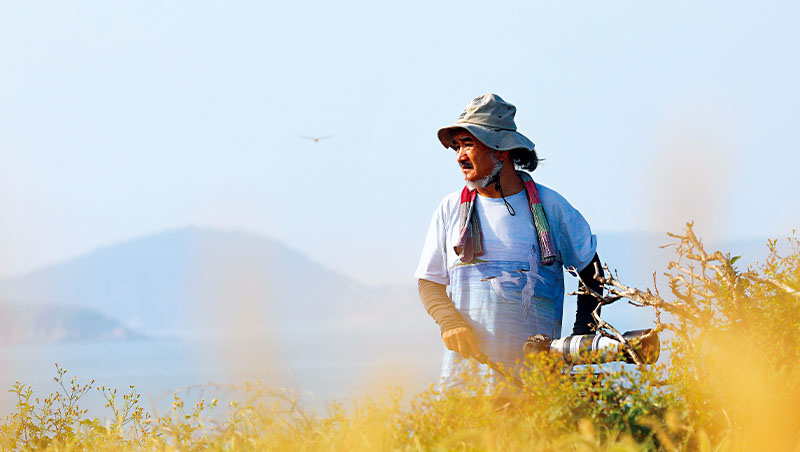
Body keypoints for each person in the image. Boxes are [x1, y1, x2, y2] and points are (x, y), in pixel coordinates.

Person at [414, 94, 604, 388]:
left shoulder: (551, 207)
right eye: (457, 145)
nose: (459, 156)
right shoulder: (450, 209)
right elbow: (429, 282)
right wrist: (448, 321)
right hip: (464, 389)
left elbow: (591, 272)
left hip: (536, 389)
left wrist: (580, 342)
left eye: (469, 144)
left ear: (500, 151)